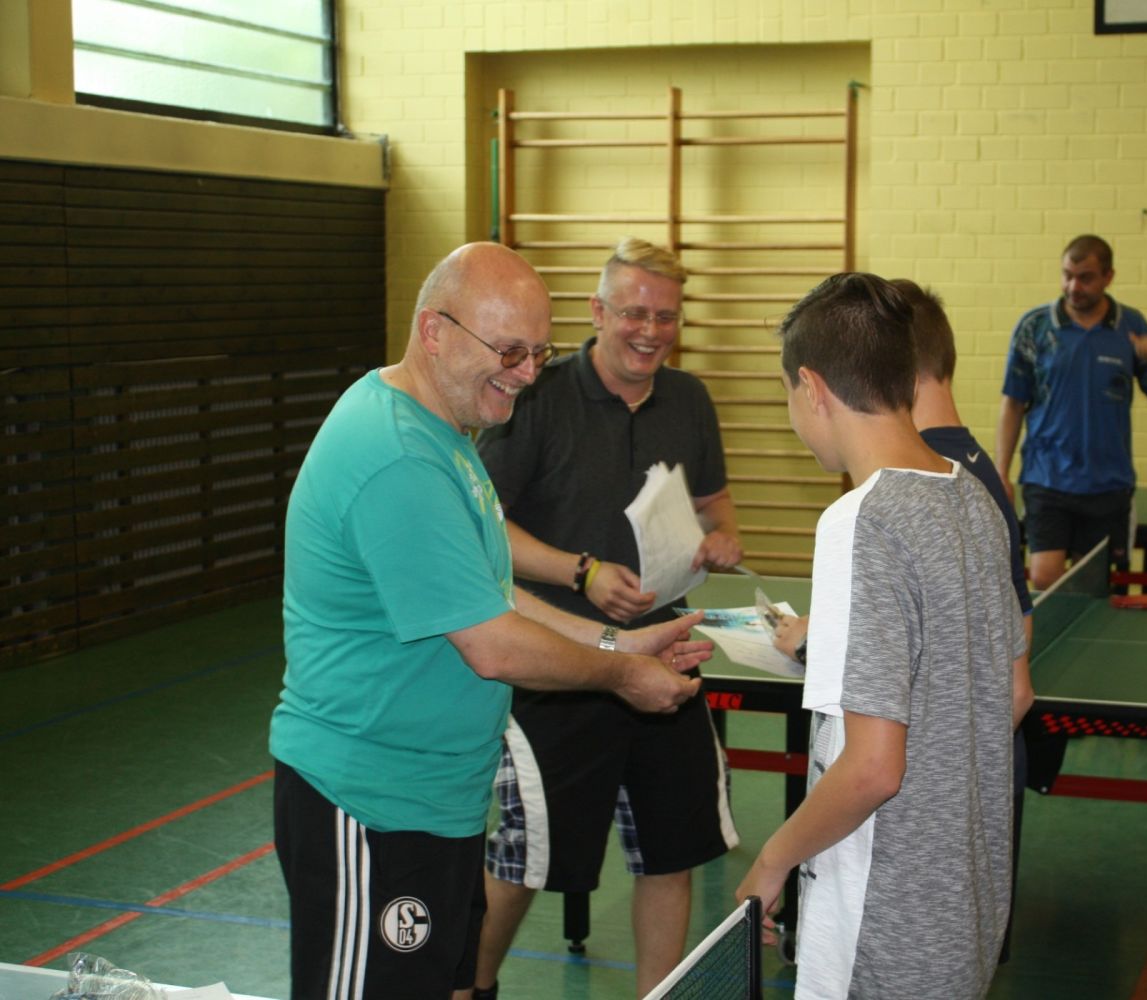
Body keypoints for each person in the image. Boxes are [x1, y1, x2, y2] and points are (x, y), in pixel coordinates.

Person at [268, 242, 712, 1000]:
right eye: (509, 351)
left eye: (538, 353)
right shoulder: (400, 457)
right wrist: (623, 675)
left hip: (435, 803)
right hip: (370, 807)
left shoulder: (444, 433)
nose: (527, 373)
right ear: (434, 331)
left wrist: (623, 640)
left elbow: (487, 594)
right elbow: (493, 646)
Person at [737, 273, 1033, 999]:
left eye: (787, 395)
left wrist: (773, 860)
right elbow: (1011, 693)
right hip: (965, 908)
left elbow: (873, 768)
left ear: (813, 388)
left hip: (883, 920)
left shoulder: (858, 522)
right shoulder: (976, 498)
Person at [472, 238, 742, 999]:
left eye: (666, 316)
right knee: (525, 858)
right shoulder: (537, 397)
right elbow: (484, 527)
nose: (650, 331)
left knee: (672, 850)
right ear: (597, 311)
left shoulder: (689, 400)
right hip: (556, 661)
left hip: (665, 657)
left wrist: (722, 536)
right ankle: (473, 987)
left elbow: (713, 503)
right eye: (633, 313)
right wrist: (581, 572)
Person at [996, 234, 1147, 590]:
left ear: (1108, 277)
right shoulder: (1035, 327)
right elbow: (1013, 403)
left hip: (1107, 483)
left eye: (1085, 278)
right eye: (1067, 275)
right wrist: (1001, 472)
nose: (1073, 287)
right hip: (1047, 477)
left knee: (1090, 586)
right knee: (1044, 577)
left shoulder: (1131, 325)